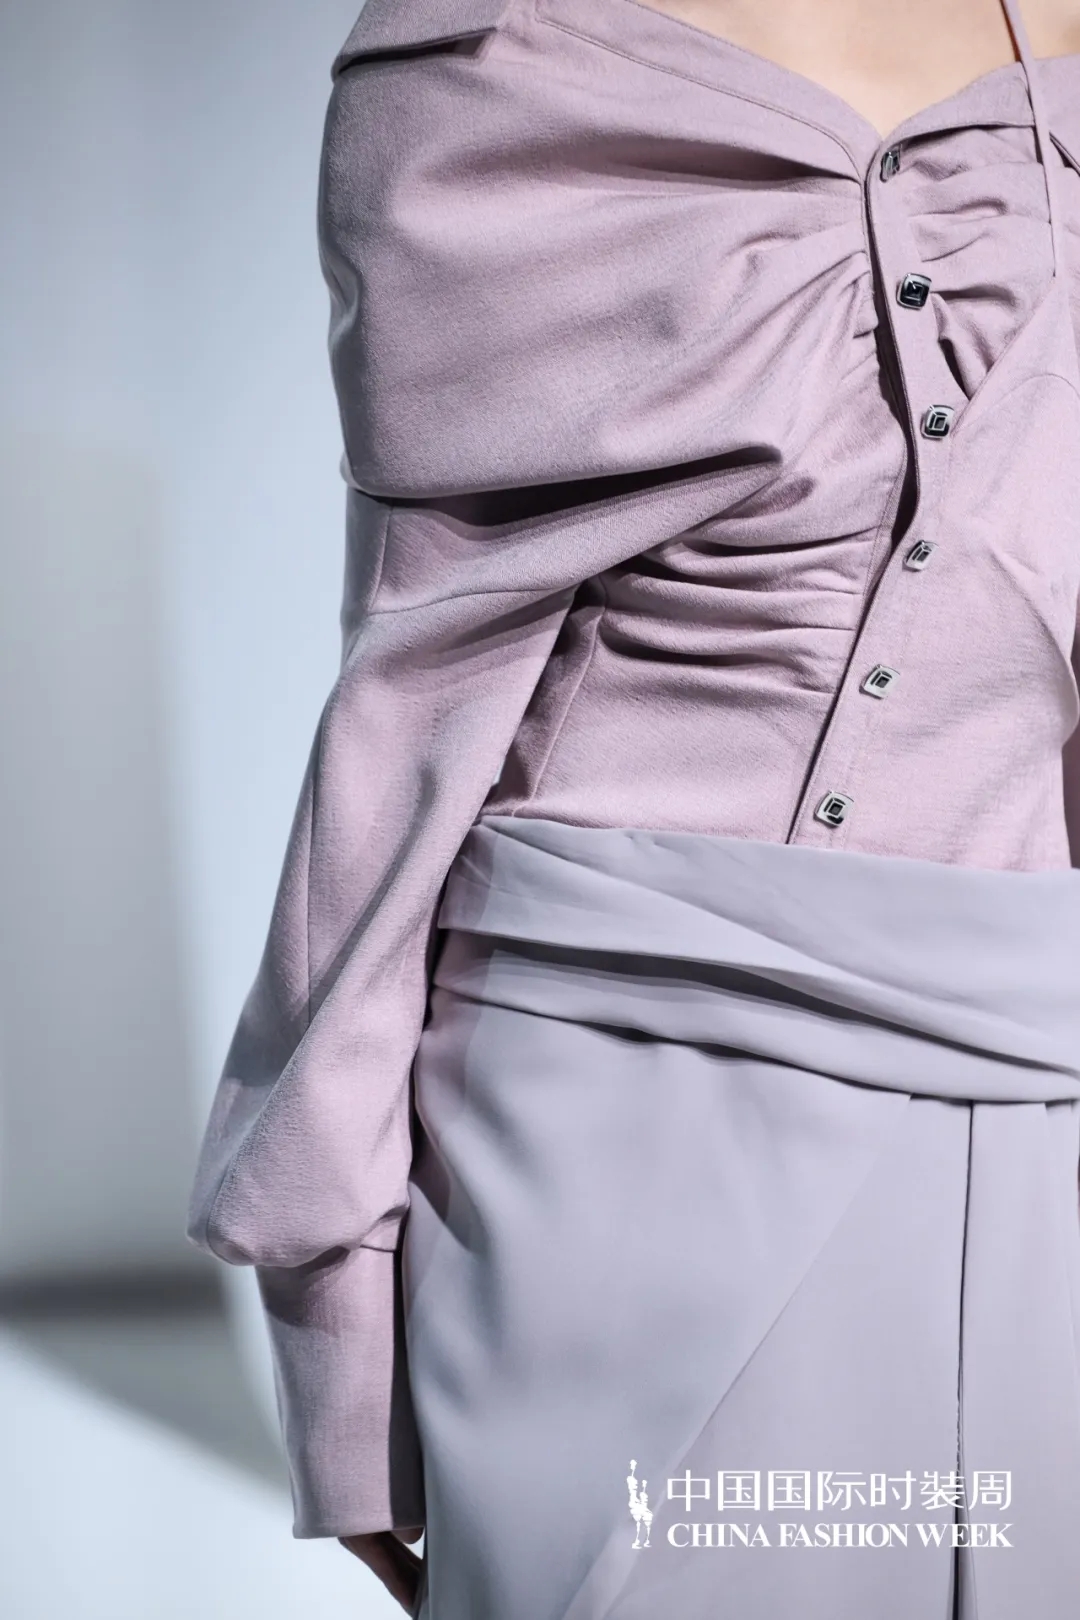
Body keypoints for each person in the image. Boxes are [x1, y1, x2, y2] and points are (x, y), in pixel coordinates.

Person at [186, 1, 1080, 1615]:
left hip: (1045, 1101)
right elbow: (413, 690)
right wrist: (336, 1318)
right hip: (618, 1126)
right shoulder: (494, 53)